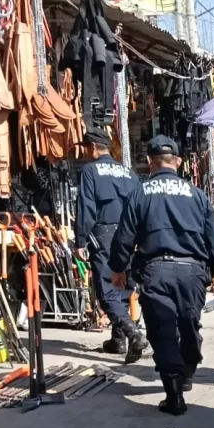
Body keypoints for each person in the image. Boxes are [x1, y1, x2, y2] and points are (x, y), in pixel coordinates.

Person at [110, 135, 214, 415]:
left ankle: (173, 394)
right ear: (179, 162)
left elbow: (124, 236)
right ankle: (187, 371)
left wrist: (117, 268)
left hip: (156, 270)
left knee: (162, 331)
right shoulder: (197, 194)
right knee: (189, 324)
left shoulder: (140, 192)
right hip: (192, 270)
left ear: (150, 162)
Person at [76, 128, 149, 360]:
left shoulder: (90, 170)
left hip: (105, 234)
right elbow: (141, 205)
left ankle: (132, 333)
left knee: (106, 288)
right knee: (124, 286)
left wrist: (80, 240)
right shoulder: (128, 173)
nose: (84, 153)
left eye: (85, 148)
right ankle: (118, 341)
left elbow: (86, 206)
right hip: (130, 234)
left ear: (93, 148)